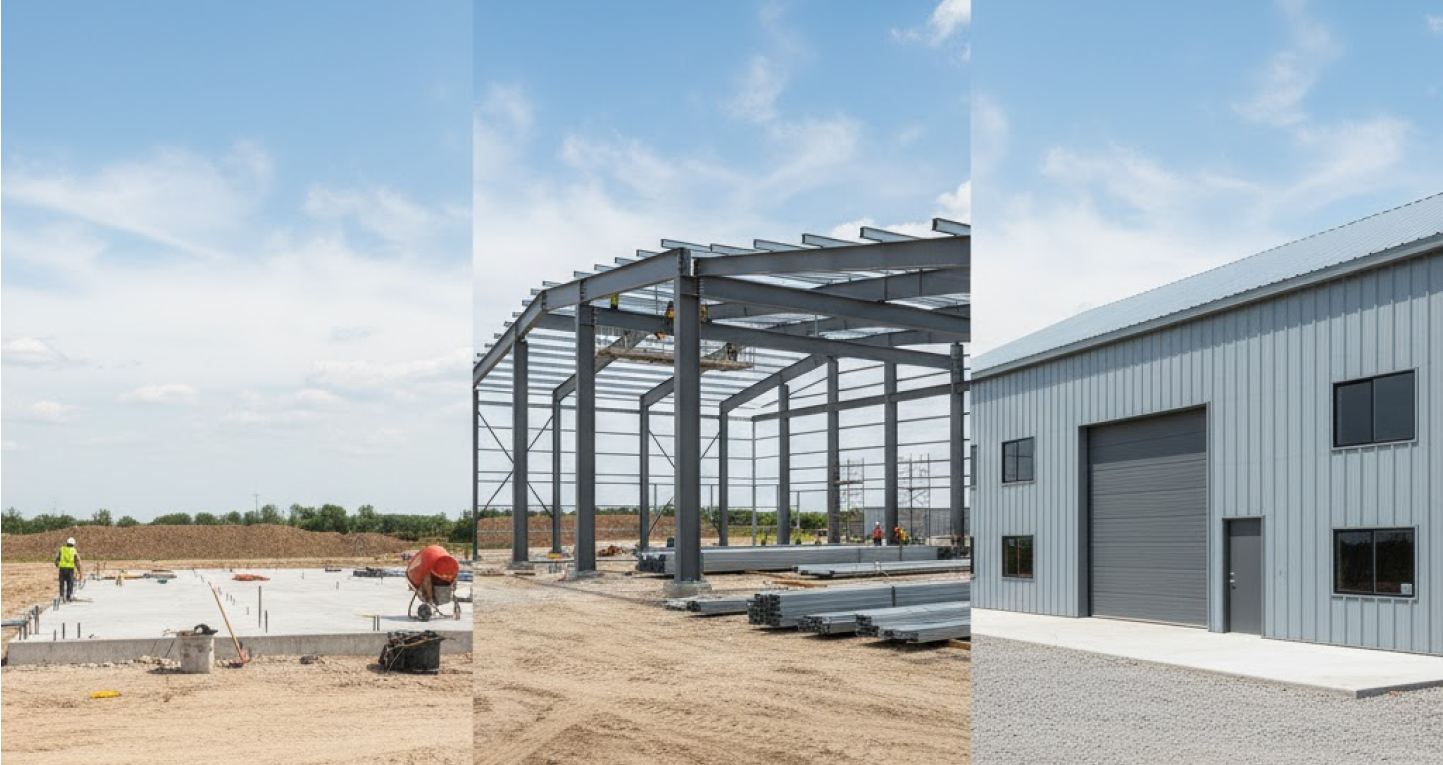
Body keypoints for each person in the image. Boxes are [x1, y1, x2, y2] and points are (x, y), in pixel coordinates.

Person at [55, 537, 81, 602]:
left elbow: (57, 558)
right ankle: (69, 596)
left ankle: (61, 596)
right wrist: (79, 570)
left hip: (62, 568)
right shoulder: (74, 550)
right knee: (70, 582)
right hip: (70, 569)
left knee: (61, 583)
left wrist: (57, 564)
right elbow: (76, 561)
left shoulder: (62, 549)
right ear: (73, 544)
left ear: (67, 543)